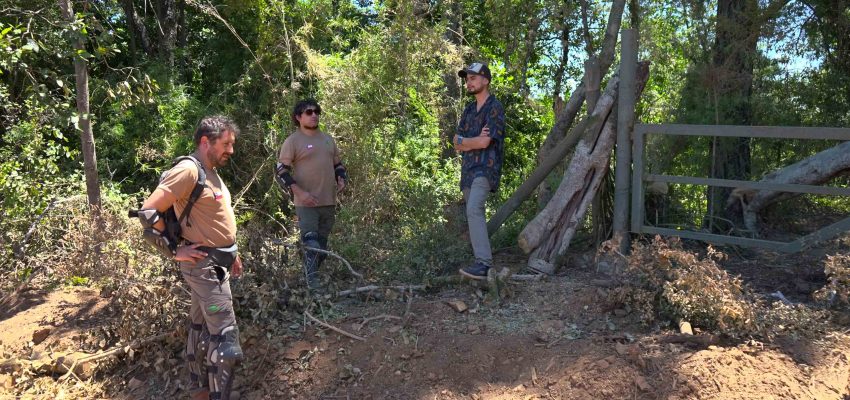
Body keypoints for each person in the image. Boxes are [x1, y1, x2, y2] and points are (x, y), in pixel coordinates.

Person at [136, 116, 243, 400]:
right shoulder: (187, 170)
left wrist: (232, 252)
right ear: (205, 142)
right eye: (226, 144)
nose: (230, 150)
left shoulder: (211, 171)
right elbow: (148, 213)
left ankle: (200, 393)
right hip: (205, 269)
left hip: (216, 264)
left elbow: (212, 218)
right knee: (227, 344)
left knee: (201, 329)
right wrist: (174, 251)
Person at [275, 99, 348, 289]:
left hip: (328, 200)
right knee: (311, 242)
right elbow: (281, 171)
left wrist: (341, 178)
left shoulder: (327, 139)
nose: (314, 115)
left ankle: (311, 275)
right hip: (306, 203)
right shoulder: (293, 141)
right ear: (298, 117)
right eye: (309, 112)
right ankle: (312, 285)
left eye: (317, 111)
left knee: (321, 247)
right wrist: (299, 192)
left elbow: (338, 164)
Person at [453, 62, 506, 280]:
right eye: (467, 79)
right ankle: (479, 262)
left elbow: (486, 143)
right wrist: (469, 141)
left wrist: (468, 141)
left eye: (473, 78)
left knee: (474, 208)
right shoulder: (468, 110)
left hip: (486, 168)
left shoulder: (494, 107)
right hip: (467, 170)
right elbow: (456, 143)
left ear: (485, 80)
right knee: (473, 212)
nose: (469, 82)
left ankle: (484, 263)